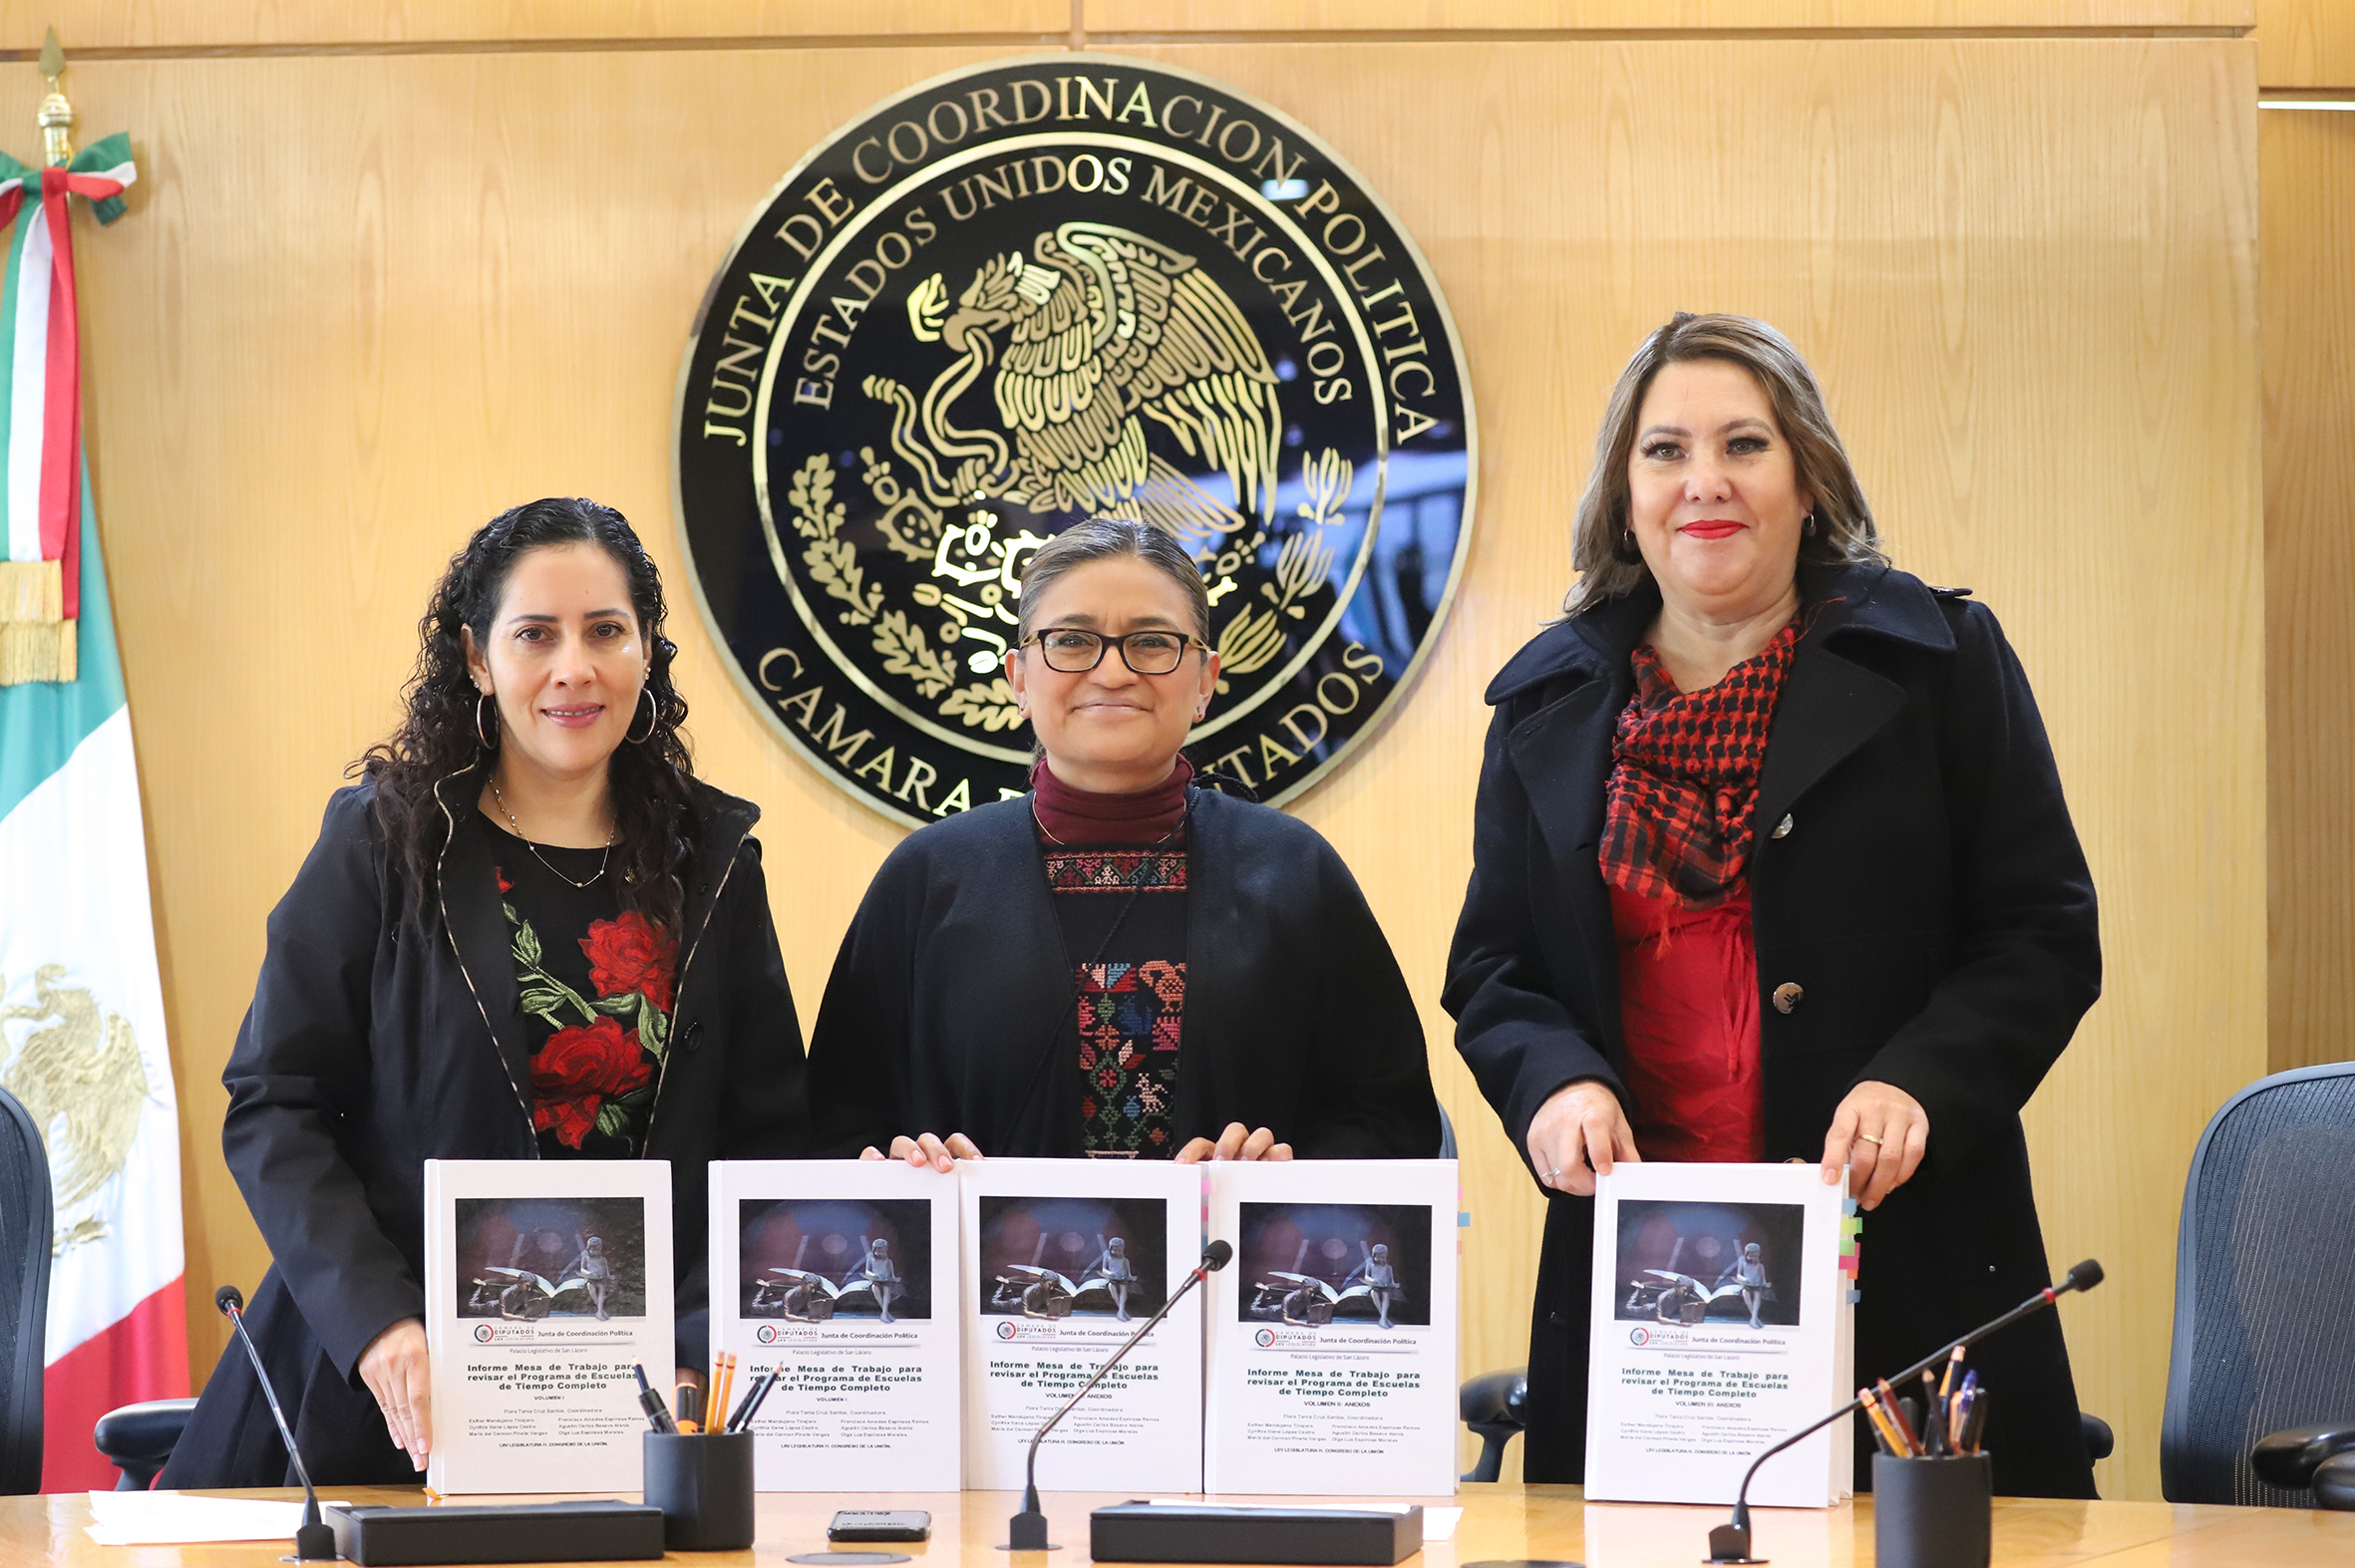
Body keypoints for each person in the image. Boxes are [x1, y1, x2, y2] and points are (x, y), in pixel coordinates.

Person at [1445, 313, 2099, 1496]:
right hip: (1647, 1270)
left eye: (1744, 444)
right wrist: (1554, 1083)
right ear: (1625, 497)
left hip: (1902, 1249)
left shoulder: (1938, 662)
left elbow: (2041, 932)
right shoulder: (1546, 703)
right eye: (1664, 451)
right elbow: (1498, 970)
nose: (1704, 480)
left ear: (1807, 481)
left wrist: (1919, 1082)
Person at [161, 497, 808, 1487]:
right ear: (476, 656)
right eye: (535, 634)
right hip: (386, 1392)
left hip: (641, 1404)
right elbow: (274, 1104)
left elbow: (767, 1146)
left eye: (606, 631)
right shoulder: (384, 840)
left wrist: (693, 1341)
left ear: (647, 650)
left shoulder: (711, 861)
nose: (573, 668)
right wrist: (376, 1320)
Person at [806, 517, 1440, 1166]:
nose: (1112, 672)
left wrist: (1282, 1173)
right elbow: (831, 1134)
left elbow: (1393, 1124)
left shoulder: (1294, 870)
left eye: (1152, 641)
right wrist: (897, 1170)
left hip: (1238, 1237)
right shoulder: (928, 877)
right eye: (1072, 640)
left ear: (1205, 680)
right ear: (1019, 678)